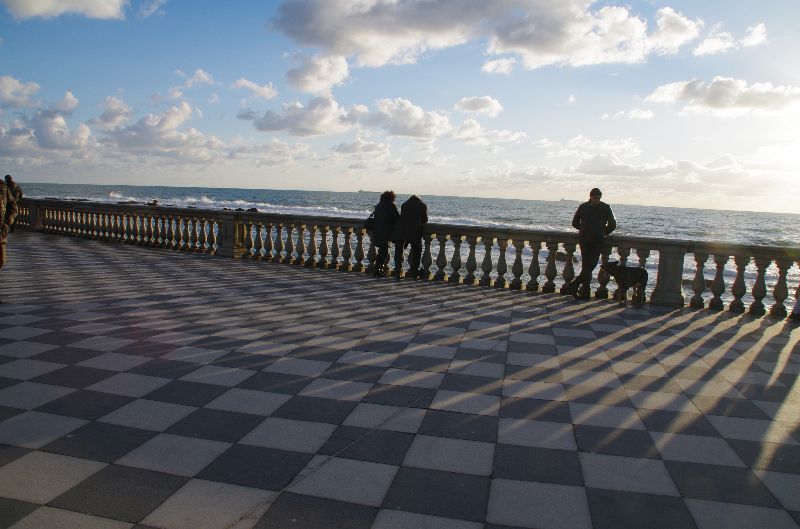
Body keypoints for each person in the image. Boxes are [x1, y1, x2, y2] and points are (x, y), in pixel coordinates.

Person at [564, 188, 616, 299]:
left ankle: (575, 285)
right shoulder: (583, 207)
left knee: (590, 266)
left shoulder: (606, 207)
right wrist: (584, 230)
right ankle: (585, 292)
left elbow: (613, 224)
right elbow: (574, 222)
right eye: (595, 198)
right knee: (586, 266)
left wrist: (603, 233)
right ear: (590, 197)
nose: (596, 200)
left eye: (598, 198)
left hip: (597, 241)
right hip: (585, 240)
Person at [391, 195, 428, 279]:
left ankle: (397, 272)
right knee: (417, 251)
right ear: (419, 199)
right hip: (414, 231)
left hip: (401, 230)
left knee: (398, 252)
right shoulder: (422, 205)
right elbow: (425, 220)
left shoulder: (404, 204)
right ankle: (414, 272)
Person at [371, 190, 399, 277]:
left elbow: (375, 217)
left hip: (378, 231)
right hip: (386, 232)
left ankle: (378, 269)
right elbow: (397, 218)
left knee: (382, 251)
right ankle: (377, 270)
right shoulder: (391, 205)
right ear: (392, 198)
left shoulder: (378, 205)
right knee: (383, 252)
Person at [0, 177, 19, 302]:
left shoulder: (3, 186)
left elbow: (13, 206)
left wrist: (8, 222)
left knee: (1, 260)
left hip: (1, 232)